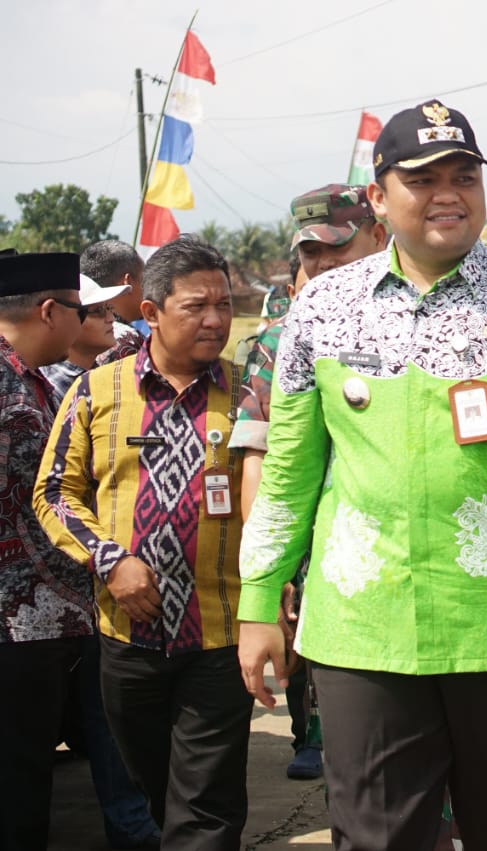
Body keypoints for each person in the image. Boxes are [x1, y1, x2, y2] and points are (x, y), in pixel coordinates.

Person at [235, 98, 487, 851]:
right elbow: (287, 470)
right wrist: (260, 597)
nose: (448, 192)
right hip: (362, 635)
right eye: (423, 178)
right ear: (379, 198)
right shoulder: (322, 309)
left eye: (464, 175)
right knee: (378, 839)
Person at [35, 235, 253, 849]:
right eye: (196, 306)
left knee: (207, 808)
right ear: (151, 311)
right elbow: (53, 493)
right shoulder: (94, 393)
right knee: (155, 790)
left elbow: (276, 504)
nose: (215, 319)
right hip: (127, 639)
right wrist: (111, 561)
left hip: (220, 637)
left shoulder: (246, 396)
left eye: (224, 303)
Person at [230, 183, 388, 783]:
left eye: (335, 249)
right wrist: (268, 575)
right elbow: (258, 462)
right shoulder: (277, 342)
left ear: (378, 236)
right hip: (323, 547)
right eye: (309, 253)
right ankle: (316, 736)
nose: (320, 265)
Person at [39, 272, 162, 850]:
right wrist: (109, 557)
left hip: (86, 601)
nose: (111, 320)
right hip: (67, 596)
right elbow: (54, 491)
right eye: (95, 311)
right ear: (53, 314)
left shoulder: (111, 377)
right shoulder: (71, 389)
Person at [0, 251, 115, 850]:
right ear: (50, 311)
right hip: (16, 628)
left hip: (42, 623)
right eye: (81, 310)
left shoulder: (33, 380)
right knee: (17, 781)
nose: (86, 321)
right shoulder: (8, 387)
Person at [81, 239, 148, 364]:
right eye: (145, 280)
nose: (150, 288)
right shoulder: (126, 338)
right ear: (127, 282)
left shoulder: (71, 335)